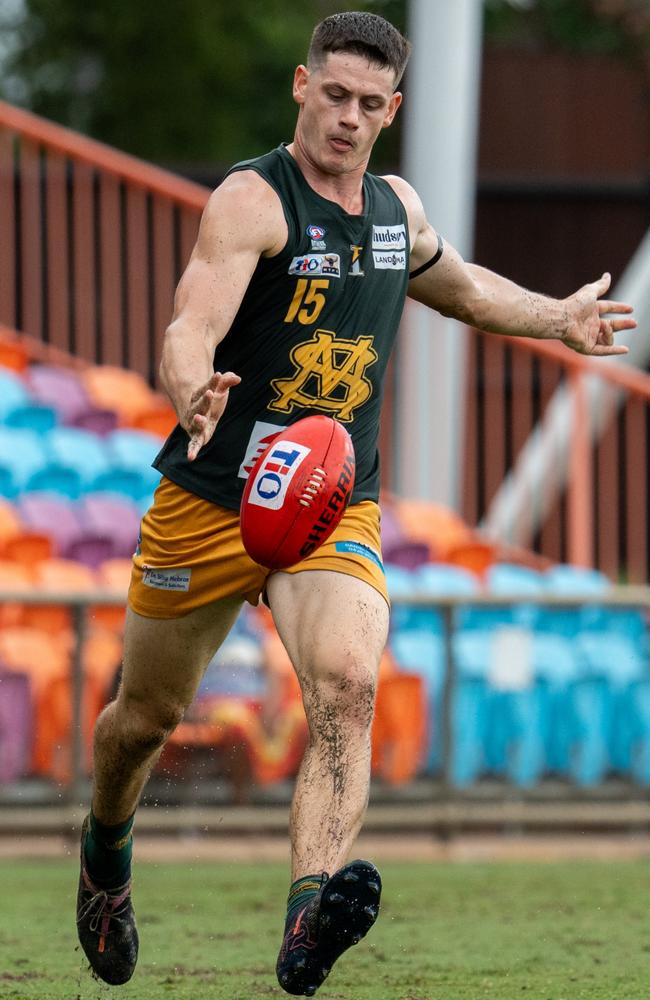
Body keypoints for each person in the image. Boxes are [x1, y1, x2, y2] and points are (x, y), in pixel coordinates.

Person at [75, 10, 636, 997]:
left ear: (392, 109)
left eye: (368, 104)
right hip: (209, 499)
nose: (346, 118)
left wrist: (559, 317)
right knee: (141, 720)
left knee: (347, 682)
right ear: (300, 86)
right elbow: (188, 323)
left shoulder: (394, 210)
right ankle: (106, 851)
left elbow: (459, 289)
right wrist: (189, 386)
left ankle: (305, 923)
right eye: (332, 95)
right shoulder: (253, 201)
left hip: (330, 500)